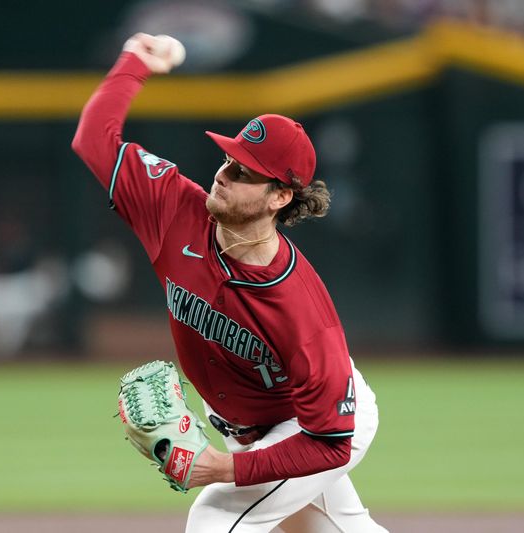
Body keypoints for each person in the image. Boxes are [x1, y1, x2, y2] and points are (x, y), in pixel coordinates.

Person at [72, 33, 387, 533]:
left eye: (244, 172)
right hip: (249, 429)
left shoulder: (300, 308)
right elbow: (93, 140)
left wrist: (224, 469)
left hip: (313, 427)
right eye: (228, 159)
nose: (223, 173)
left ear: (280, 197)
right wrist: (135, 63)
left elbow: (331, 442)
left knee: (217, 517)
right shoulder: (175, 209)